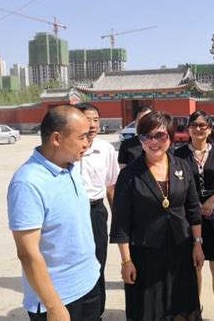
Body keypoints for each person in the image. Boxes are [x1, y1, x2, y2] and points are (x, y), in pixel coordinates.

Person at [7, 105, 100, 320]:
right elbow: (27, 253)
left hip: (89, 282)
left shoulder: (71, 167)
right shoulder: (28, 183)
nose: (87, 143)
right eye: (82, 137)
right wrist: (54, 307)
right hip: (60, 297)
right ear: (57, 138)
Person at [110, 111, 204, 320]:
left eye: (160, 135)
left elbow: (192, 208)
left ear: (170, 137)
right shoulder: (129, 174)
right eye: (147, 136)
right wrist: (126, 262)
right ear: (140, 138)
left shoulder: (182, 166)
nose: (153, 141)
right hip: (145, 254)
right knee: (149, 307)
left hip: (181, 248)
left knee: (181, 303)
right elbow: (120, 222)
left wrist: (197, 243)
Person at [175, 111, 214, 321]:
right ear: (188, 128)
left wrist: (211, 200)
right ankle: (194, 311)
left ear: (209, 129)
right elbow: (176, 185)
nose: (198, 129)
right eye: (194, 125)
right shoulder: (178, 155)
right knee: (194, 265)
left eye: (203, 125)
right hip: (189, 216)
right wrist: (194, 204)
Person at [74, 102, 120, 317]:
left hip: (95, 211)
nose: (92, 125)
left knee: (97, 261)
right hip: (72, 212)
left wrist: (117, 220)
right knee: (73, 260)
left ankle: (96, 312)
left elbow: (111, 186)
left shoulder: (106, 149)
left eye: (96, 120)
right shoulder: (67, 148)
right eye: (87, 120)